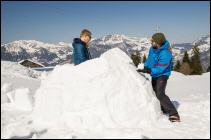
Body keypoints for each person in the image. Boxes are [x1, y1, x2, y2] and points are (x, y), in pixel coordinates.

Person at [137, 33, 180, 122]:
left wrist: (150, 70)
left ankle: (174, 113)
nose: (150, 42)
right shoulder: (152, 49)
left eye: (152, 41)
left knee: (160, 94)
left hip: (163, 75)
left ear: (157, 42)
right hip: (155, 74)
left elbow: (161, 68)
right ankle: (162, 108)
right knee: (154, 92)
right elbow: (150, 61)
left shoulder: (165, 53)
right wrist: (144, 67)